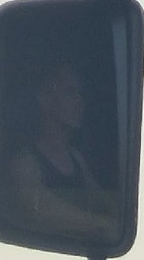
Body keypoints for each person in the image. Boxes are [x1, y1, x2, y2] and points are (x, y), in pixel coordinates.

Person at [9, 62, 120, 244]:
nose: (80, 102)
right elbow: (43, 209)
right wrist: (103, 225)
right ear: (44, 99)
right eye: (70, 92)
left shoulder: (76, 159)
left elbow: (100, 200)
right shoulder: (25, 162)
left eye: (80, 94)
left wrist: (125, 218)